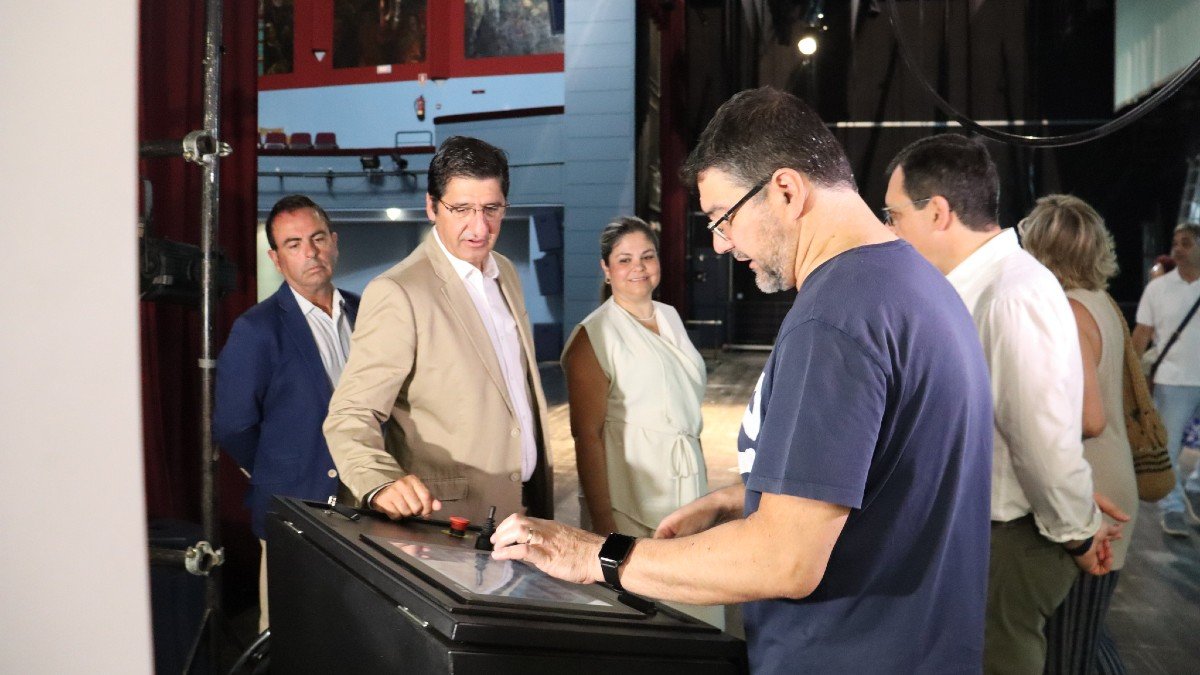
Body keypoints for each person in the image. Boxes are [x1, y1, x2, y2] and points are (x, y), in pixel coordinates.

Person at [489, 87, 995, 674]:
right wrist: (751, 497)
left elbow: (785, 559)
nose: (721, 243)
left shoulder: (835, 317)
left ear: (785, 189)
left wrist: (598, 556)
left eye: (722, 218)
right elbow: (899, 474)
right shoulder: (915, 283)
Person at [884, 135, 1127, 675]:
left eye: (895, 213)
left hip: (1009, 536)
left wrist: (1078, 530)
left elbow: (1042, 441)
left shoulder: (1012, 293)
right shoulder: (978, 286)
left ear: (939, 212)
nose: (889, 229)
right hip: (983, 530)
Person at [324, 135, 553, 526]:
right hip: (448, 521)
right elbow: (350, 415)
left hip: (524, 510)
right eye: (462, 209)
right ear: (432, 206)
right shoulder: (397, 292)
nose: (479, 227)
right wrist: (380, 483)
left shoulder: (507, 273)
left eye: (491, 209)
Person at [561, 216, 719, 628]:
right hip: (630, 494)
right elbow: (587, 436)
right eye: (625, 259)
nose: (639, 267)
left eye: (647, 256)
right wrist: (604, 526)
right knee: (647, 615)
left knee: (696, 606)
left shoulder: (670, 317)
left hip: (686, 485)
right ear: (606, 268)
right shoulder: (593, 335)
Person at [213, 194, 360, 632]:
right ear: (276, 260)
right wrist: (280, 470)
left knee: (361, 637)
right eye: (294, 244)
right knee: (293, 640)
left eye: (317, 238)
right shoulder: (256, 329)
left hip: (368, 504)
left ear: (334, 242)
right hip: (295, 508)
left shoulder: (369, 312)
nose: (310, 252)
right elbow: (234, 425)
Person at [1018, 194, 1138, 674]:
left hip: (1092, 492)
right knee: (1087, 637)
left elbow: (1089, 419)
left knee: (1068, 650)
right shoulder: (1101, 303)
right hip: (1107, 480)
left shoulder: (1067, 311)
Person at [1133, 223, 1200, 536]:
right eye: (1176, 242)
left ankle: (1194, 490)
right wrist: (1131, 375)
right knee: (1168, 448)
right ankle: (1171, 509)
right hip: (1173, 380)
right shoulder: (1157, 289)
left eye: (1186, 242)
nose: (1178, 248)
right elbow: (1142, 335)